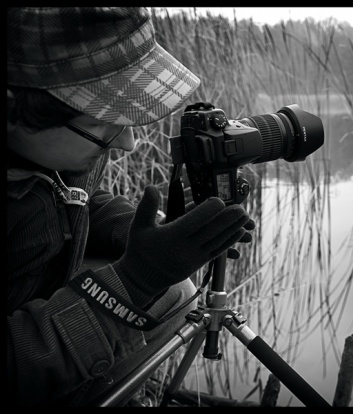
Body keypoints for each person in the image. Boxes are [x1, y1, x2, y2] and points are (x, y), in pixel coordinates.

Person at [7, 7, 254, 406]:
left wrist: (136, 233)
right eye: (105, 125)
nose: (128, 145)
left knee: (176, 290)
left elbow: (73, 196)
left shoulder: (47, 147)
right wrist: (134, 281)